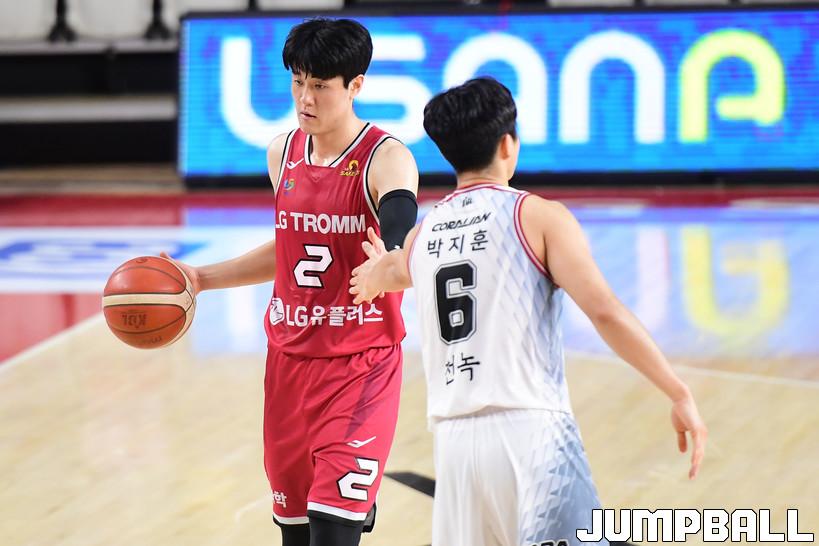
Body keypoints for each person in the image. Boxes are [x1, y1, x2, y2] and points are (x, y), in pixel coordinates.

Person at [348, 77, 707, 546]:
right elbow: (605, 312)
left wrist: (373, 275)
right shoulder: (538, 216)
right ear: (507, 144)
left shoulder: (424, 233)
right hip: (532, 437)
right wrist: (678, 391)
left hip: (455, 447)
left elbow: (389, 270)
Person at [166, 18, 419, 546]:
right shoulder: (281, 152)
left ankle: (352, 498)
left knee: (332, 530)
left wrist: (390, 257)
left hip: (360, 366)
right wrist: (202, 278)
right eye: (298, 81)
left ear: (355, 85)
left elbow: (400, 215)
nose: (305, 98)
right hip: (288, 366)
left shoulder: (385, 157)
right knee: (297, 535)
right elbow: (290, 247)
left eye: (320, 85)